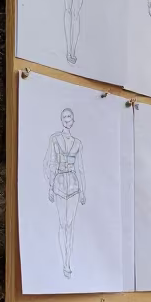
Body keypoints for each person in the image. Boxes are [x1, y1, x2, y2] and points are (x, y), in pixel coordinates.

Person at [44, 108, 86, 279]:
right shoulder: (55, 139)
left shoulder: (78, 143)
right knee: (63, 224)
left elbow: (80, 167)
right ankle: (65, 263)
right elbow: (49, 162)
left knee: (71, 224)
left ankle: (69, 259)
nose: (67, 119)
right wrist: (50, 185)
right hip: (60, 183)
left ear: (73, 120)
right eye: (64, 117)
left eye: (69, 116)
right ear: (61, 120)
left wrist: (83, 190)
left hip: (74, 185)